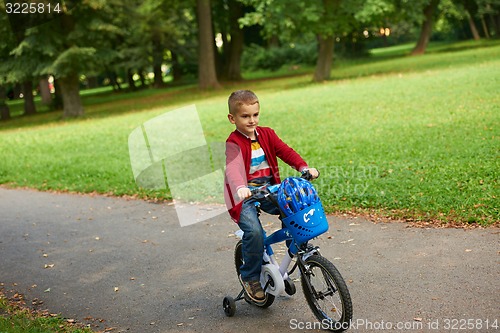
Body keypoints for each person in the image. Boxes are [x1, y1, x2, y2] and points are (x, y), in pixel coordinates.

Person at [224, 90, 319, 303]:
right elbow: (233, 168)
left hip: (270, 190)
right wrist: (240, 186)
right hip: (244, 197)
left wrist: (303, 166)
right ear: (233, 118)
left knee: (295, 208)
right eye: (245, 116)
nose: (252, 120)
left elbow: (285, 151)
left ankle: (298, 249)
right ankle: (250, 277)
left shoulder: (267, 134)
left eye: (255, 115)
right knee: (255, 233)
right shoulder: (233, 143)